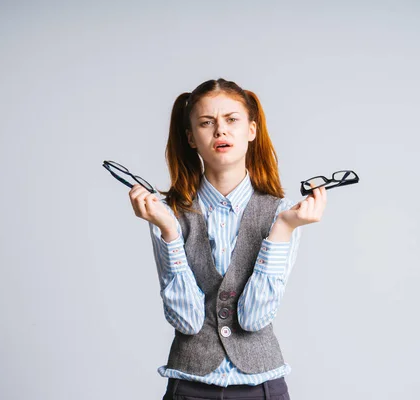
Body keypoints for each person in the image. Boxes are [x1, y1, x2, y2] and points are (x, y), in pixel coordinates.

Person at [128, 78, 327, 400]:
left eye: (232, 120)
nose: (220, 131)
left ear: (252, 129)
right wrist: (169, 232)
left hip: (262, 386)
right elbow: (188, 321)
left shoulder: (283, 213)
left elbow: (253, 318)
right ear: (191, 138)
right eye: (207, 123)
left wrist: (282, 230)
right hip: (189, 386)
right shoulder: (167, 215)